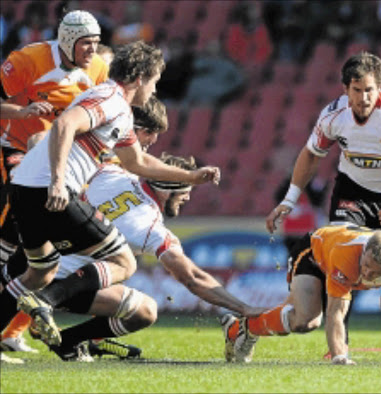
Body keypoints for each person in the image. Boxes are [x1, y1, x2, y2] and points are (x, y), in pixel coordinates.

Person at [0, 40, 221, 348]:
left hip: (24, 189)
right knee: (123, 261)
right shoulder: (111, 99)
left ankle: (38, 302)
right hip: (48, 190)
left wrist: (191, 176)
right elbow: (65, 123)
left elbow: (137, 162)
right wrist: (59, 180)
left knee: (41, 271)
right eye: (155, 82)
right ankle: (45, 303)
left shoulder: (117, 109)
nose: (154, 91)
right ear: (140, 78)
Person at [265, 51, 381, 356]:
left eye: (370, 90)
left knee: (380, 265)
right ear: (345, 89)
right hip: (350, 190)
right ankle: (339, 347)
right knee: (345, 253)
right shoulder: (333, 116)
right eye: (356, 90)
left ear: (380, 88)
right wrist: (290, 199)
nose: (363, 98)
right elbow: (310, 155)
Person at [34, 152, 264, 361]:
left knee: (113, 267)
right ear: (169, 185)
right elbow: (192, 278)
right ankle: (68, 341)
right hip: (64, 284)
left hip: (36, 263)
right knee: (145, 310)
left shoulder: (113, 174)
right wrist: (243, 308)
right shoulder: (149, 226)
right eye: (186, 189)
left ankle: (86, 341)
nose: (188, 198)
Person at [0, 95, 168, 357]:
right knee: (121, 262)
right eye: (149, 132)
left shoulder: (121, 168)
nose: (152, 141)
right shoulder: (90, 140)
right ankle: (40, 304)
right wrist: (48, 176)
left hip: (76, 273)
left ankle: (67, 340)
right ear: (129, 128)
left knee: (145, 309)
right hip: (50, 250)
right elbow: (38, 140)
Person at [0, 9, 109, 353]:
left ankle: (12, 331)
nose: (92, 50)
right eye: (85, 43)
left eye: (96, 42)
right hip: (17, 148)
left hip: (59, 164)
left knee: (47, 252)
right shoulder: (28, 60)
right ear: (66, 40)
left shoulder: (98, 69)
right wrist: (21, 113)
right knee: (16, 239)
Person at [221, 224, 381, 364]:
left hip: (333, 253)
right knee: (306, 321)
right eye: (365, 264)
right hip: (312, 254)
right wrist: (339, 357)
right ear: (365, 251)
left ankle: (235, 329)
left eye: (373, 272)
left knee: (293, 317)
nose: (365, 272)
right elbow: (336, 312)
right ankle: (245, 330)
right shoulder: (348, 257)